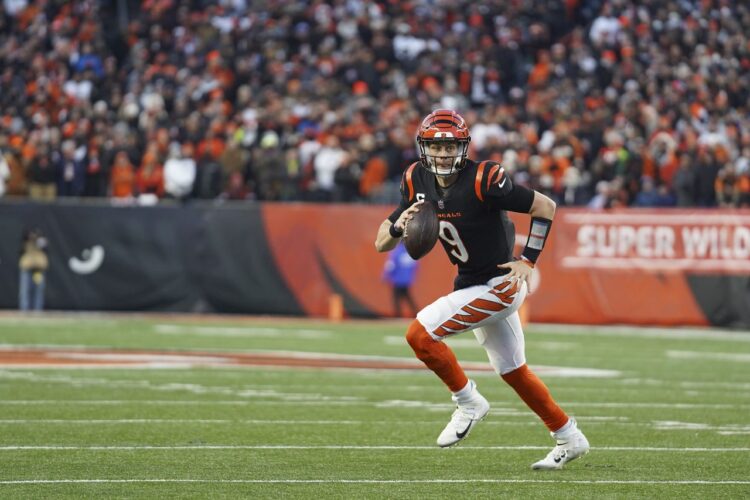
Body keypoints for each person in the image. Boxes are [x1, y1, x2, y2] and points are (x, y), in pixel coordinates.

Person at [374, 109, 589, 470]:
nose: (442, 155)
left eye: (450, 148)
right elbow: (381, 241)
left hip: (500, 283)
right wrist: (399, 229)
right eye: (435, 148)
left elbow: (545, 207)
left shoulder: (484, 178)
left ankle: (469, 401)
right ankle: (569, 436)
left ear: (464, 147)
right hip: (471, 282)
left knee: (420, 335)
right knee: (513, 371)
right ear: (423, 148)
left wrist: (529, 260)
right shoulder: (415, 179)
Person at [382, 241, 419, 318]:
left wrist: (385, 276)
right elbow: (415, 267)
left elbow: (390, 265)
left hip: (397, 280)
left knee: (396, 299)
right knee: (408, 298)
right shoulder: (411, 252)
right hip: (406, 280)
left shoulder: (396, 252)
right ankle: (417, 314)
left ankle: (398, 316)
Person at [18, 228, 49, 311]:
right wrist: (30, 236)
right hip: (27, 269)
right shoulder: (26, 241)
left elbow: (46, 248)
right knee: (25, 291)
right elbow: (23, 239)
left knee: (38, 291)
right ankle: (24, 310)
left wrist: (38, 238)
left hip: (38, 270)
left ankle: (37, 311)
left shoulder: (41, 241)